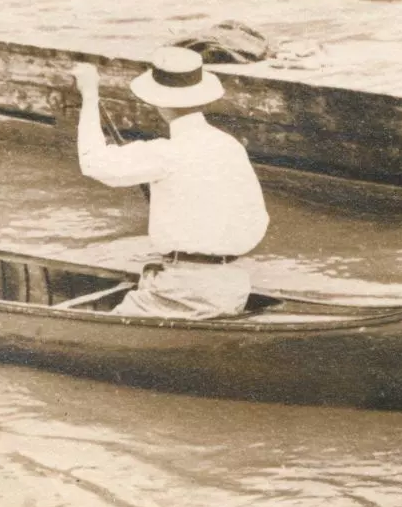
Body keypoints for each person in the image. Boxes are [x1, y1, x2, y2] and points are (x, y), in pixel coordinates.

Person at [71, 48, 269, 319]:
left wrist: (90, 94)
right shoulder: (230, 146)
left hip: (186, 291)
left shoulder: (166, 152)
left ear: (159, 102)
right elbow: (256, 221)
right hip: (233, 287)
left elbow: (93, 162)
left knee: (100, 327)